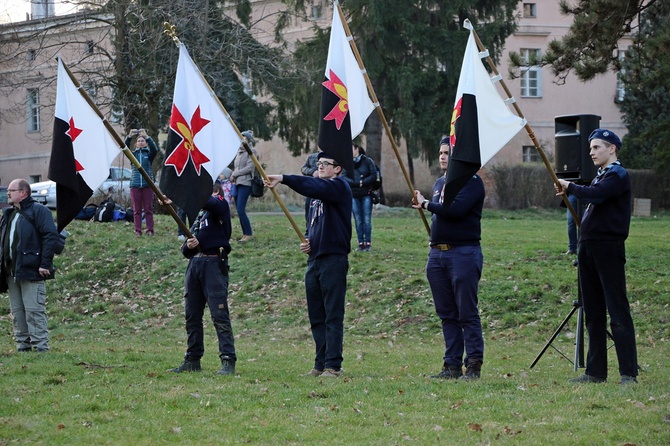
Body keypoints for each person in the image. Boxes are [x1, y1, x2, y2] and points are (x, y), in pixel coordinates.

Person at [556, 128, 638, 385]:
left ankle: (628, 373)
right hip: (588, 247)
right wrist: (571, 191)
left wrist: (570, 185)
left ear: (611, 148)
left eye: (596, 147)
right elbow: (590, 193)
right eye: (591, 148)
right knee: (593, 311)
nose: (591, 152)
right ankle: (595, 372)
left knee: (617, 309)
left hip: (608, 247)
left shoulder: (617, 175)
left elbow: (596, 195)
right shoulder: (601, 176)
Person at [265, 151, 352, 378]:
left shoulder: (339, 187)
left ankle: (333, 365)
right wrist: (308, 240)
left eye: (326, 163)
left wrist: (284, 178)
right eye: (319, 163)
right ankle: (319, 363)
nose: (321, 166)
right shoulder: (313, 198)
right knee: (316, 316)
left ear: (338, 169)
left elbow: (315, 187)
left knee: (333, 315)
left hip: (334, 259)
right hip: (314, 260)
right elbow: (311, 224)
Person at [412, 137, 486, 380]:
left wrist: (426, 204)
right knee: (446, 313)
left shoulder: (471, 182)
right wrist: (427, 205)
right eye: (441, 152)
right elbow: (439, 213)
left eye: (447, 152)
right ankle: (451, 365)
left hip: (463, 253)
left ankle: (473, 364)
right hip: (437, 255)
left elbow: (455, 211)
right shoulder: (439, 183)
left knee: (466, 312)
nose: (443, 156)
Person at [170, 182, 236, 375]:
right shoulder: (199, 216)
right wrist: (189, 245)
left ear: (215, 192)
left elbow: (214, 204)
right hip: (195, 265)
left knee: (219, 315)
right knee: (192, 315)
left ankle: (228, 360)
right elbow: (185, 250)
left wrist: (190, 191)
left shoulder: (220, 207)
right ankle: (192, 359)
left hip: (213, 264)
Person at [0, 179, 59, 352]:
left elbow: (50, 236)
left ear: (23, 192)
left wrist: (44, 264)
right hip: (12, 272)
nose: (8, 193)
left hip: (32, 270)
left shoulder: (39, 211)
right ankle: (23, 347)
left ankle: (41, 348)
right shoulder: (9, 214)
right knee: (17, 312)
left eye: (12, 190)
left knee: (34, 310)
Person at [342, 144, 377, 251]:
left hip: (366, 193)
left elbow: (373, 175)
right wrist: (356, 183)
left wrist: (363, 182)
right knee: (358, 219)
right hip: (353, 194)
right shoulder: (347, 163)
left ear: (357, 149)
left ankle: (368, 243)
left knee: (366, 219)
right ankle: (361, 242)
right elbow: (344, 176)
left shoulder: (367, 161)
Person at [125, 128, 159, 236]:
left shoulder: (149, 154)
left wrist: (147, 137)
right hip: (135, 185)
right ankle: (138, 231)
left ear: (145, 144)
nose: (140, 142)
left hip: (147, 185)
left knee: (148, 209)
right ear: (136, 144)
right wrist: (129, 136)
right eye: (139, 141)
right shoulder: (133, 155)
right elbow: (124, 148)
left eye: (142, 141)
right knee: (137, 210)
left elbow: (155, 149)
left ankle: (150, 230)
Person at [230, 131, 256, 243]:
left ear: (248, 140)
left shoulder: (251, 151)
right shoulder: (239, 152)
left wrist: (235, 174)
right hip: (237, 183)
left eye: (244, 138)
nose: (242, 140)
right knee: (238, 210)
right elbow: (236, 167)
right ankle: (244, 233)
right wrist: (232, 175)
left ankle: (248, 233)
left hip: (246, 183)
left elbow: (250, 168)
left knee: (241, 209)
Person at [300, 152, 320, 224]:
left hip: (324, 188)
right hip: (312, 188)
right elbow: (303, 169)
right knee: (308, 211)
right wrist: (312, 172)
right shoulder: (312, 157)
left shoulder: (332, 156)